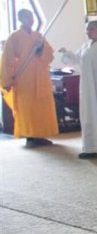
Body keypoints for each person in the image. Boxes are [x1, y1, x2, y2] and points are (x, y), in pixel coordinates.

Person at [0, 9, 59, 147]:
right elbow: (7, 60)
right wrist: (7, 80)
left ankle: (41, 135)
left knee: (42, 108)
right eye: (27, 17)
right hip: (24, 79)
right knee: (27, 109)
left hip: (41, 77)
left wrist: (41, 50)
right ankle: (30, 136)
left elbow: (49, 55)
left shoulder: (38, 36)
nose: (31, 20)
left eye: (31, 17)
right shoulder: (14, 37)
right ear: (21, 19)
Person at [59, 21, 97, 158]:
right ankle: (91, 146)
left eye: (91, 29)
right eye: (87, 29)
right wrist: (66, 52)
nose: (88, 32)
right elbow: (75, 59)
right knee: (88, 114)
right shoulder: (85, 47)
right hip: (87, 87)